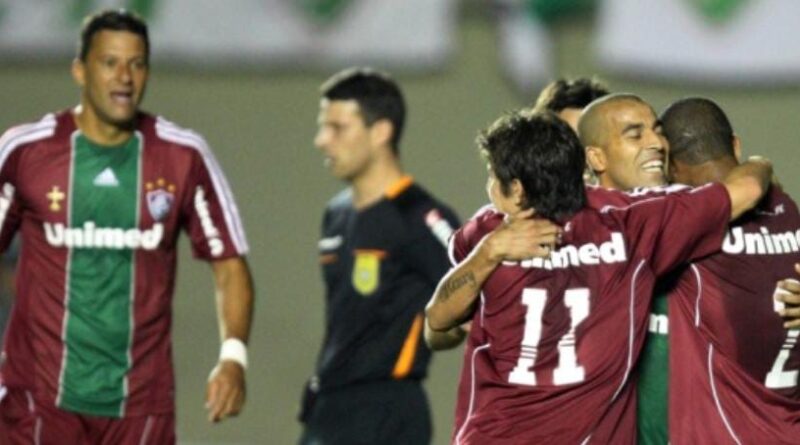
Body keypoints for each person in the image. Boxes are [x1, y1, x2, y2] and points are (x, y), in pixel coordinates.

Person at [426, 109, 771, 443]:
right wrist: (760, 164)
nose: (489, 186)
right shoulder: (630, 224)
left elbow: (437, 322)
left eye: (492, 176)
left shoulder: (486, 232)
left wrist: (488, 253)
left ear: (516, 190)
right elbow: (748, 190)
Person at [0, 10, 253, 444]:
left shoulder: (181, 157)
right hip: (39, 399)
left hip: (140, 405)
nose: (125, 77)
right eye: (110, 62)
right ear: (80, 70)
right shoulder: (27, 152)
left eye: (136, 64)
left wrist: (233, 357)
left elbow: (229, 264)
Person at [299, 67, 460, 445]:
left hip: (386, 413)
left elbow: (475, 300)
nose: (322, 140)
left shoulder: (421, 217)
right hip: (327, 408)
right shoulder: (336, 214)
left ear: (381, 131)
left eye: (337, 128)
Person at [661, 98, 800, 443]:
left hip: (726, 431)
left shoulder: (682, 222)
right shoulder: (785, 207)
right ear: (735, 144)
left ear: (669, 165)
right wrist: (760, 164)